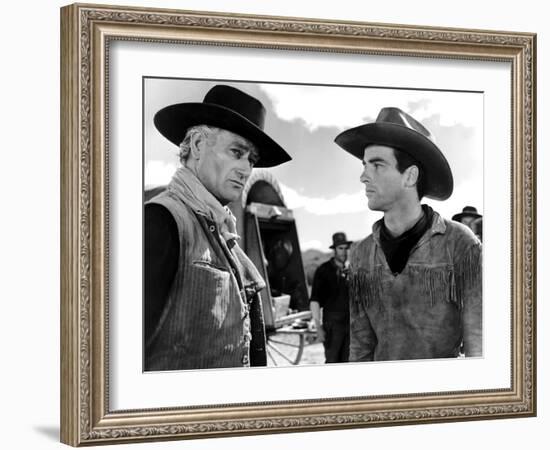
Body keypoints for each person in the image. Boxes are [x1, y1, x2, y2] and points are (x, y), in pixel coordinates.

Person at [144, 85, 291, 371]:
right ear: (198, 145)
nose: (246, 169)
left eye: (251, 160)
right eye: (236, 152)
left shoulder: (224, 234)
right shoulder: (161, 220)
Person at [334, 107, 482, 362]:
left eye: (377, 165)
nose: (363, 176)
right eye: (364, 165)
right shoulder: (360, 254)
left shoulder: (460, 244)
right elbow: (361, 346)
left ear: (410, 175)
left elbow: (478, 346)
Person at [309, 232, 353, 363]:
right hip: (332, 325)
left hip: (350, 324)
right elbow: (315, 300)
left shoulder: (352, 269)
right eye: (340, 248)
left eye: (346, 248)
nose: (344, 252)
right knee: (332, 361)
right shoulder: (324, 270)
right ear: (334, 250)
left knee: (348, 361)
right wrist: (318, 328)